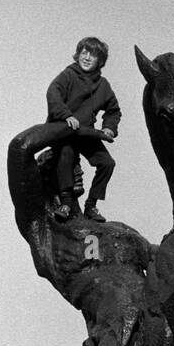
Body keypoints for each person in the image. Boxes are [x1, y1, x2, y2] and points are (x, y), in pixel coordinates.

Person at [46, 37, 121, 222]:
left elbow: (114, 110)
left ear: (100, 61)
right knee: (66, 155)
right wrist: (66, 115)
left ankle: (91, 205)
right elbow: (53, 93)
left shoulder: (103, 84)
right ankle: (65, 202)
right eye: (84, 53)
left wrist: (109, 128)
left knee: (107, 163)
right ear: (78, 55)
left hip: (86, 132)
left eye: (93, 55)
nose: (87, 58)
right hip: (65, 130)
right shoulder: (68, 74)